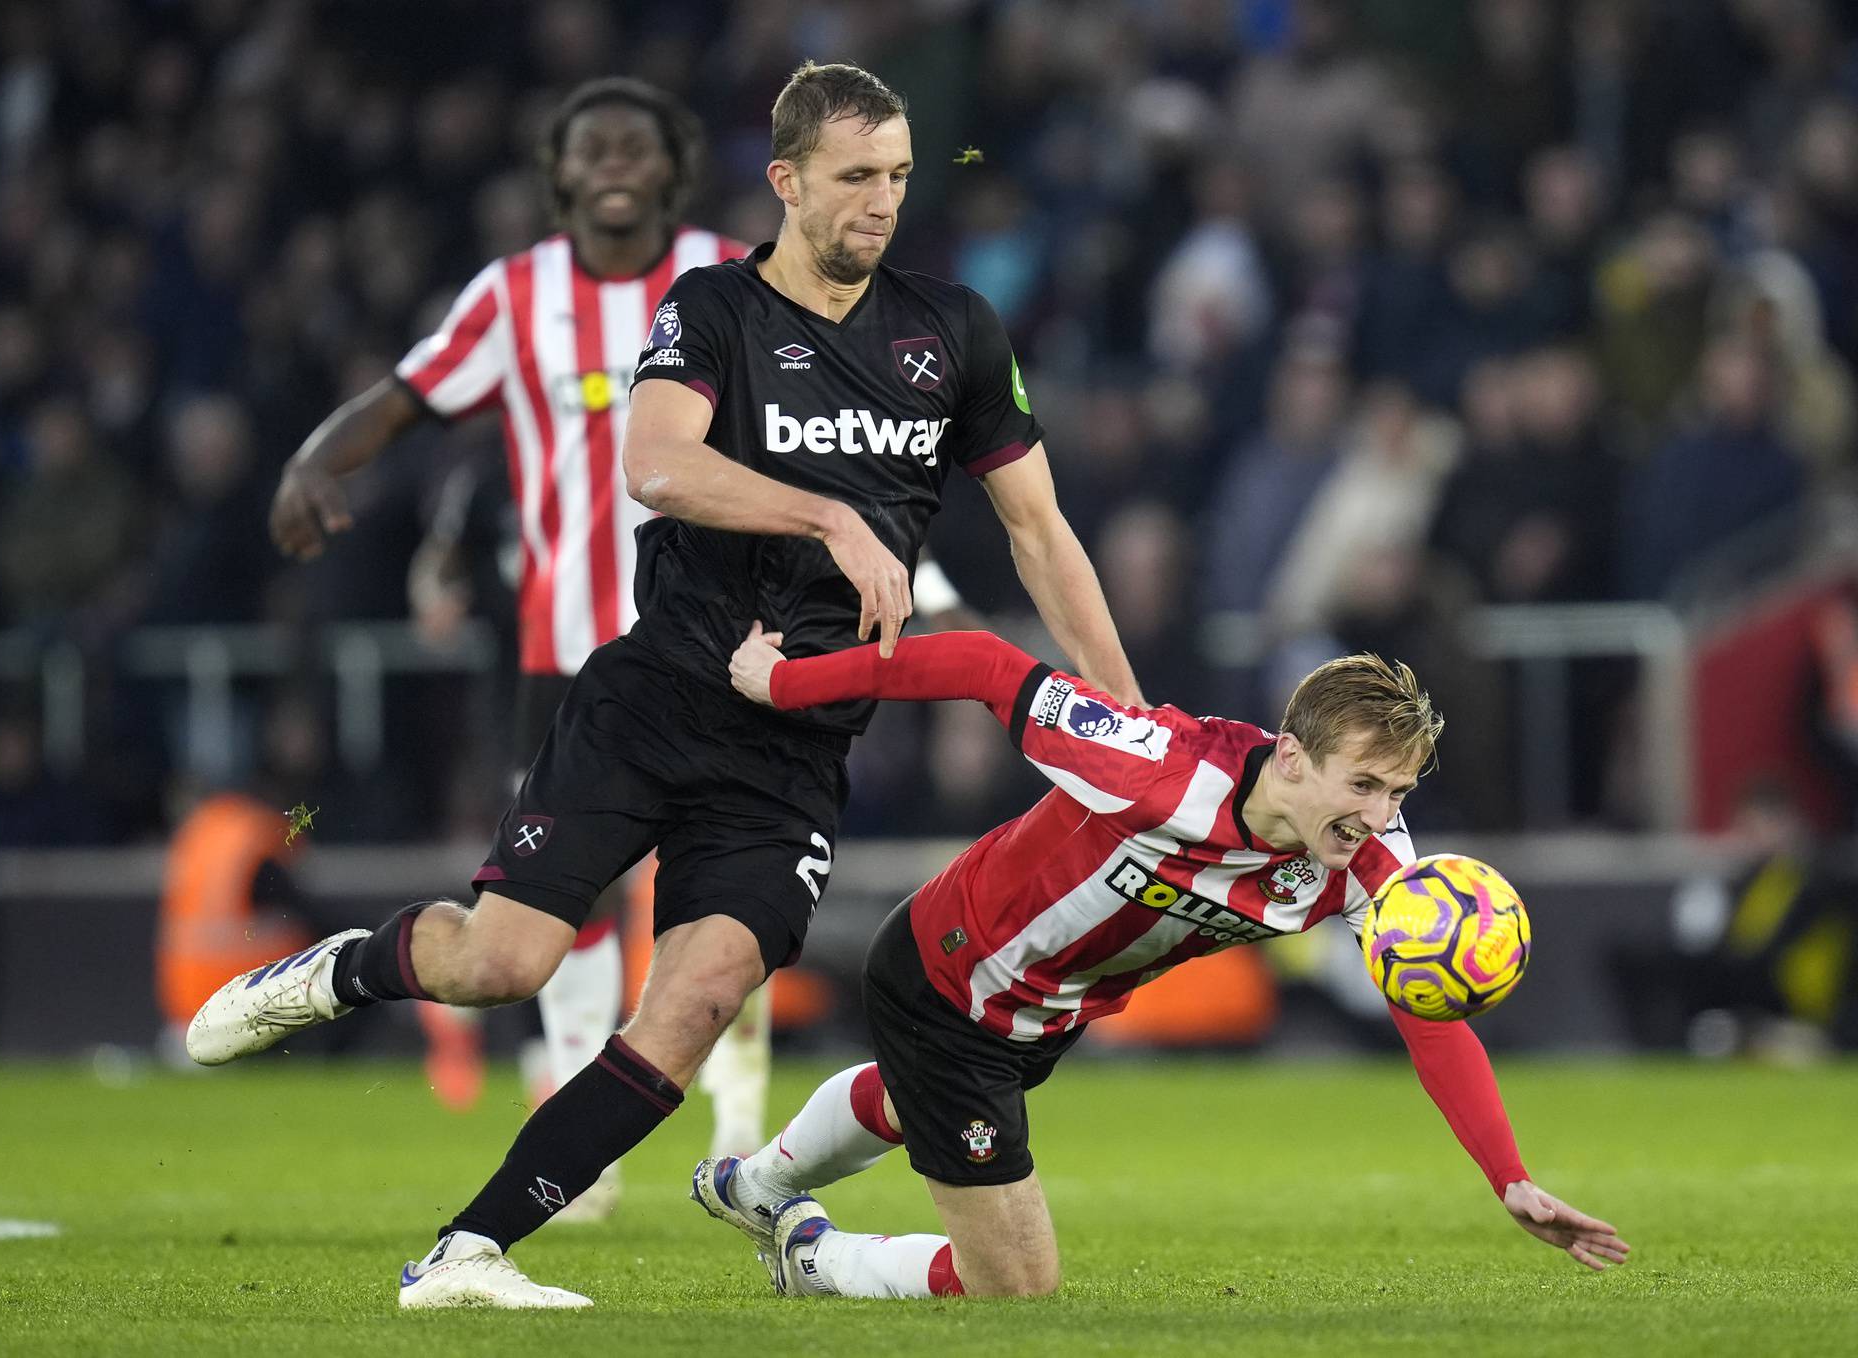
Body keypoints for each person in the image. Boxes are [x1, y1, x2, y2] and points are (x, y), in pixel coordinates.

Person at [189, 60, 1141, 1309]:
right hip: (656, 696)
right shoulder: (713, 309)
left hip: (796, 743)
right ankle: (333, 972)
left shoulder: (952, 330)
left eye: (901, 176)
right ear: (786, 180)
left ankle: (464, 1254)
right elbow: (655, 464)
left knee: (690, 1009)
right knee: (505, 962)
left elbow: (1040, 529)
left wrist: (1124, 712)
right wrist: (837, 521)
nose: (883, 202)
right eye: (857, 177)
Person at [689, 625, 1630, 1298]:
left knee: (913, 1105)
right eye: (1365, 786)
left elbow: (1426, 1012)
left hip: (1052, 1008)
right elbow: (980, 662)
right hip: (953, 971)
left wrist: (1508, 1177)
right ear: (1293, 759)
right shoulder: (1161, 766)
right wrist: (789, 685)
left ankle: (755, 1184)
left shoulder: (1374, 863)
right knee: (1015, 1285)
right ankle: (809, 1258)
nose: (1382, 817)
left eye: (1398, 792)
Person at [263, 77, 760, 1216]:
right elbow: (406, 396)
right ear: (563, 174)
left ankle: (738, 1114)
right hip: (564, 648)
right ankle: (582, 1126)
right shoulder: (514, 293)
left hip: (722, 631)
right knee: (562, 896)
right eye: (595, 148)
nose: (617, 162)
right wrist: (313, 460)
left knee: (725, 869)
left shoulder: (732, 274)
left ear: (673, 164)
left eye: (639, 143)